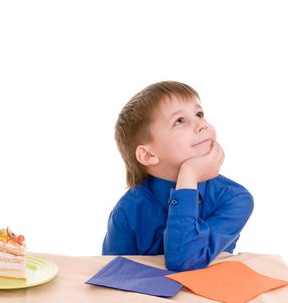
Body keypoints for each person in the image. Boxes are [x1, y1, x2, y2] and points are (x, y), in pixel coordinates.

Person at [102, 81, 254, 271]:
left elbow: (185, 261)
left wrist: (188, 176)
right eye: (179, 121)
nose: (202, 125)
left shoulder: (235, 199)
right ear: (148, 155)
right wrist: (188, 177)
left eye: (199, 114)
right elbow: (112, 273)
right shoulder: (127, 210)